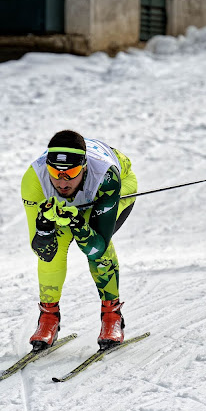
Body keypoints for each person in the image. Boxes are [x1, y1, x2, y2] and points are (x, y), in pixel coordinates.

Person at [21, 130, 137, 351]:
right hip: (70, 204)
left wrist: (77, 223)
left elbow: (96, 248)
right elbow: (42, 250)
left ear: (83, 167)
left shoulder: (106, 177)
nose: (62, 181)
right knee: (52, 254)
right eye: (55, 172)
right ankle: (48, 318)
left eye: (71, 173)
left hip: (114, 186)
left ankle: (112, 315)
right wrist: (44, 226)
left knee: (99, 250)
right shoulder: (33, 179)